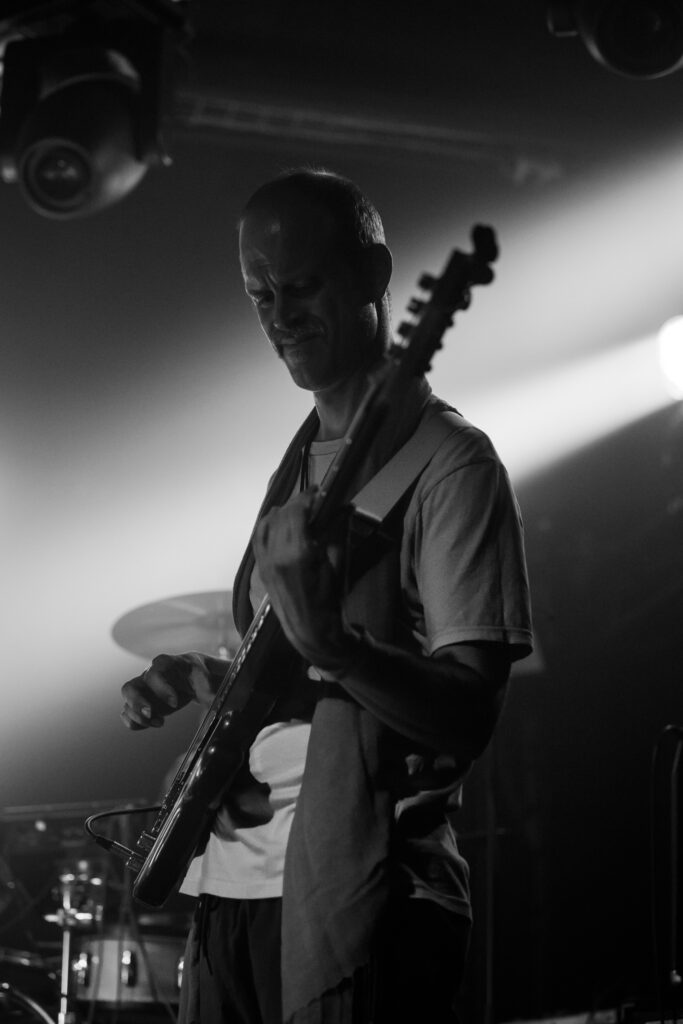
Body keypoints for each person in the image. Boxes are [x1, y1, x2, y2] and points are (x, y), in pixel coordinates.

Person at [120, 167, 533, 1024]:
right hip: (229, 892)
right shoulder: (300, 457)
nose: (277, 315)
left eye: (300, 285)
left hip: (361, 903)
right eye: (258, 294)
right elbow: (288, 676)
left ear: (376, 280)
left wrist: (338, 649)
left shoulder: (450, 463)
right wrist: (203, 673)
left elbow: (468, 712)